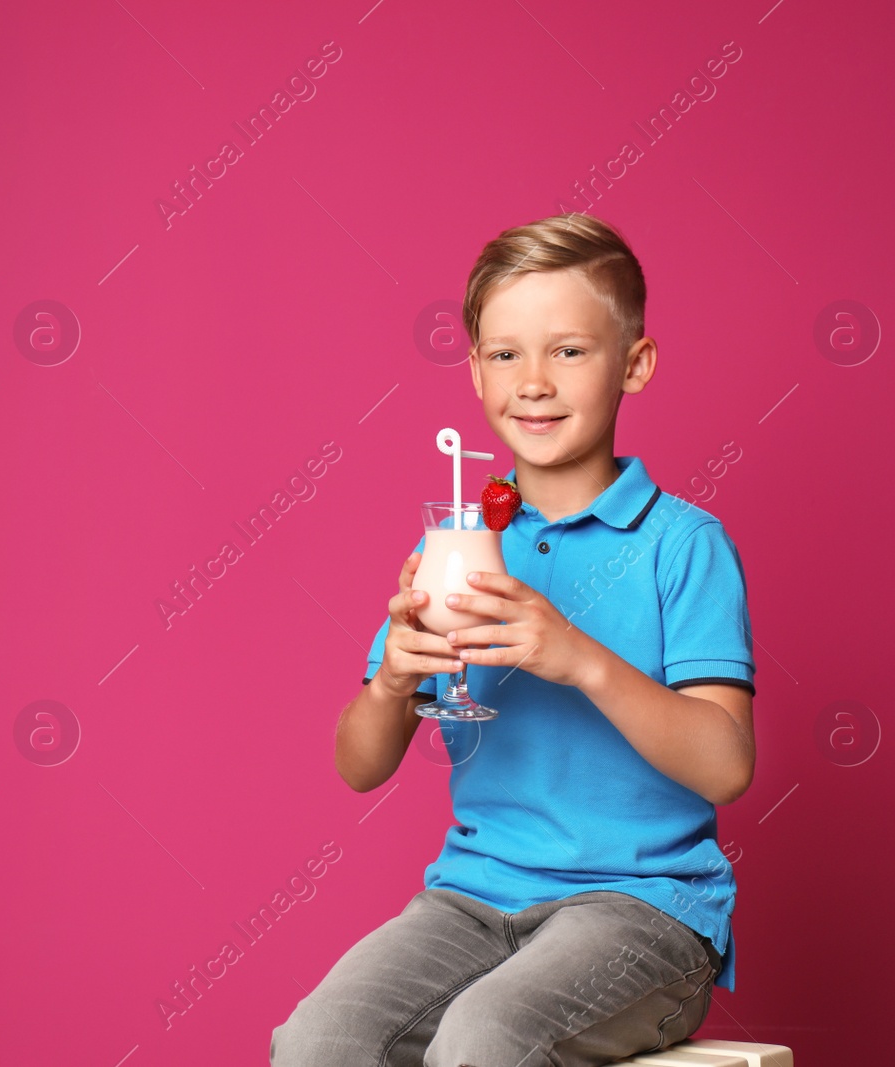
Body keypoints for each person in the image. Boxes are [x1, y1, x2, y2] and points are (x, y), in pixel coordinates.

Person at [269, 214, 758, 1067]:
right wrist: (392, 683)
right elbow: (358, 764)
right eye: (505, 354)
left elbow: (726, 764)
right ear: (475, 373)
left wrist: (578, 658)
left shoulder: (682, 544)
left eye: (568, 350)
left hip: (645, 911)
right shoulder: (457, 550)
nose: (533, 381)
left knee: (486, 1037)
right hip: (472, 902)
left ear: (633, 365)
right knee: (319, 1038)